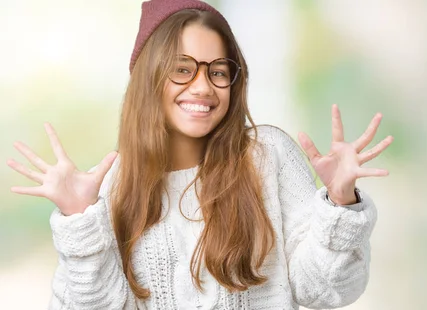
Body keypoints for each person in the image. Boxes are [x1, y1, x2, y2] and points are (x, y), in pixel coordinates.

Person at [7, 0, 393, 309]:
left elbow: (324, 292)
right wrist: (80, 223)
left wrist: (340, 204)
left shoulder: (267, 155)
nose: (203, 87)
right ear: (149, 78)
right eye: (182, 69)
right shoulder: (106, 186)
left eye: (218, 72)